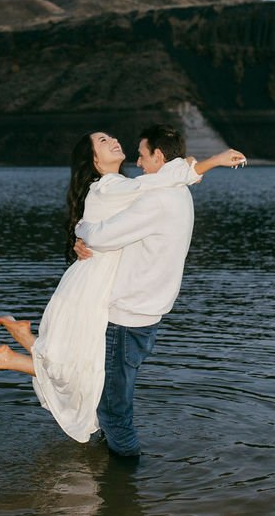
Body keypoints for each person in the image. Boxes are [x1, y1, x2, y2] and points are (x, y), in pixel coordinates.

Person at [0, 130, 245, 446]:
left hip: (107, 281)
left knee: (87, 364)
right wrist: (212, 162)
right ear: (93, 160)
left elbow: (164, 179)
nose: (113, 141)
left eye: (112, 137)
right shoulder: (111, 187)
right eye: (102, 141)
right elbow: (156, 183)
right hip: (100, 284)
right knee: (84, 366)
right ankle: (16, 353)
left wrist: (192, 167)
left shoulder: (125, 188)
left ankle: (19, 346)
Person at [73, 124, 214, 457]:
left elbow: (102, 236)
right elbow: (178, 172)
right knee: (109, 394)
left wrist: (81, 230)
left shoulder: (157, 200)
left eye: (142, 155)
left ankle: (126, 479)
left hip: (127, 316)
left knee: (114, 409)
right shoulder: (177, 192)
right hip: (147, 313)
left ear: (158, 156)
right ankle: (112, 467)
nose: (137, 161)